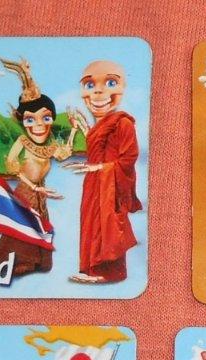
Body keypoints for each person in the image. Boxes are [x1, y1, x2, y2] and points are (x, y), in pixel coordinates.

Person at [0, 57, 70, 272]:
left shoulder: (50, 143)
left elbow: (62, 154)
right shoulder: (22, 142)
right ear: (23, 121)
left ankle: (39, 260)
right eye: (30, 120)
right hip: (26, 192)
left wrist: (73, 130)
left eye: (45, 118)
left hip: (40, 194)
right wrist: (33, 186)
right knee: (24, 223)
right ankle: (18, 261)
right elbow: (12, 165)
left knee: (40, 223)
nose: (38, 125)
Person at [66, 60, 141, 284]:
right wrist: (81, 128)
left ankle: (110, 273)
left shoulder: (123, 123)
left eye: (110, 83)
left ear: (122, 88)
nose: (98, 92)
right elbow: (98, 146)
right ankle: (91, 270)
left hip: (110, 183)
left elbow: (129, 158)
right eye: (90, 85)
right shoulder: (99, 125)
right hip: (93, 183)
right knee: (91, 222)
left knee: (109, 225)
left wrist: (100, 168)